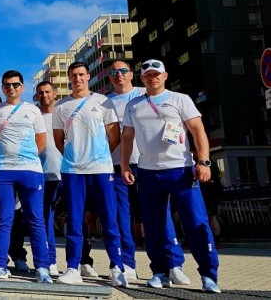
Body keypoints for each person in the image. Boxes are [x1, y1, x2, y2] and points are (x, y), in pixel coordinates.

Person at [120, 59, 221, 293]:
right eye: (147, 75)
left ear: (165, 76)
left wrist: (204, 162)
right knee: (154, 225)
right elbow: (127, 138)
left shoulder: (180, 99)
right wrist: (125, 165)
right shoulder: (133, 105)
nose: (152, 78)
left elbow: (198, 130)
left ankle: (208, 275)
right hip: (147, 172)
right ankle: (160, 272)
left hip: (181, 170)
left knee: (195, 222)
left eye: (157, 74)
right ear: (142, 79)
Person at [103, 60, 187, 283]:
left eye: (123, 71)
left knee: (160, 216)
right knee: (122, 217)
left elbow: (172, 118)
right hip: (118, 165)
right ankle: (127, 264)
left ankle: (173, 264)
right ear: (109, 77)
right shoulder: (104, 102)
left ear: (133, 75)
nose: (119, 75)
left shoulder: (147, 93)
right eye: (114, 72)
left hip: (152, 165)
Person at [52, 61, 126, 287]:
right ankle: (73, 267)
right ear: (69, 78)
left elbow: (114, 136)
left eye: (81, 74)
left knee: (109, 220)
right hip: (73, 171)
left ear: (88, 76)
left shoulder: (103, 102)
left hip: (101, 170)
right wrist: (75, 157)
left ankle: (116, 267)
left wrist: (99, 156)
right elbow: (58, 140)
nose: (77, 78)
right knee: (74, 221)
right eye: (73, 75)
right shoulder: (61, 106)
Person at [0, 71, 51, 283]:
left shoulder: (33, 111)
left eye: (15, 85)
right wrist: (4, 158)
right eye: (7, 85)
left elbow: (41, 141)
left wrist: (26, 158)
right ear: (2, 88)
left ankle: (42, 267)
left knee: (35, 219)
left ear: (22, 87)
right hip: (2, 170)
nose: (11, 88)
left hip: (30, 170)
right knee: (3, 219)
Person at [35, 81, 62, 277]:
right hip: (43, 175)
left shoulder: (64, 113)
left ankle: (82, 262)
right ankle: (50, 260)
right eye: (40, 92)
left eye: (47, 92)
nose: (44, 95)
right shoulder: (33, 115)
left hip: (69, 173)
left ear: (55, 93)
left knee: (80, 220)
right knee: (45, 220)